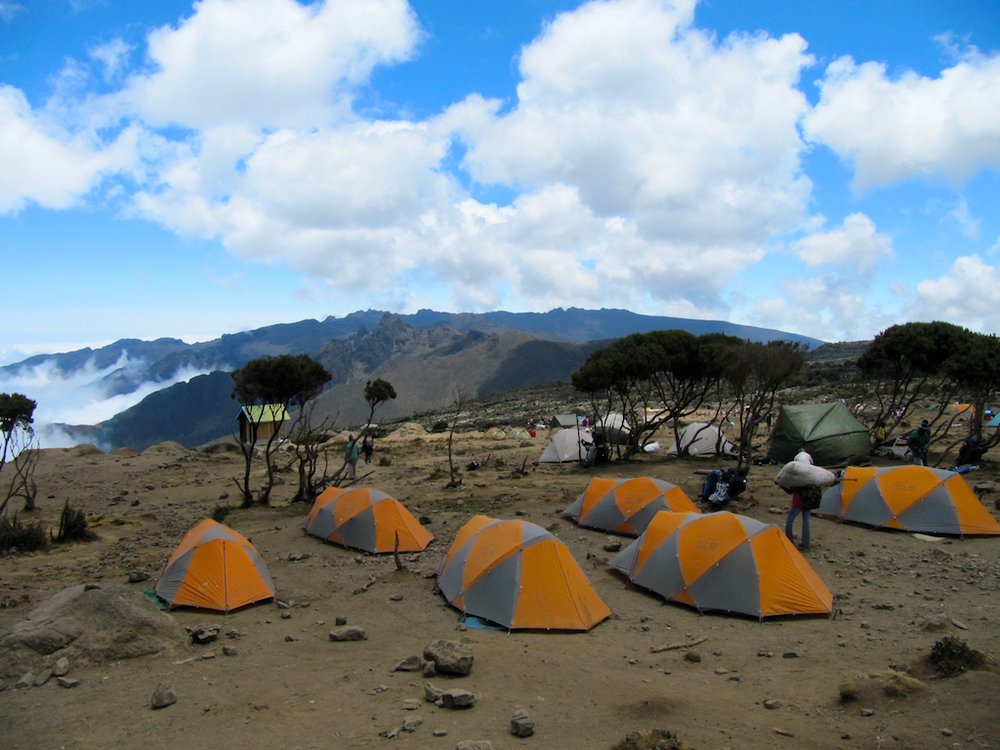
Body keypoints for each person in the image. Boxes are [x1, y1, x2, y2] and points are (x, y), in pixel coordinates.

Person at [784, 450, 818, 551]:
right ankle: (805, 544)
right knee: (806, 520)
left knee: (790, 519)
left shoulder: (797, 471)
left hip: (799, 499)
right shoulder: (812, 472)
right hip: (809, 498)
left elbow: (791, 490)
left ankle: (789, 541)